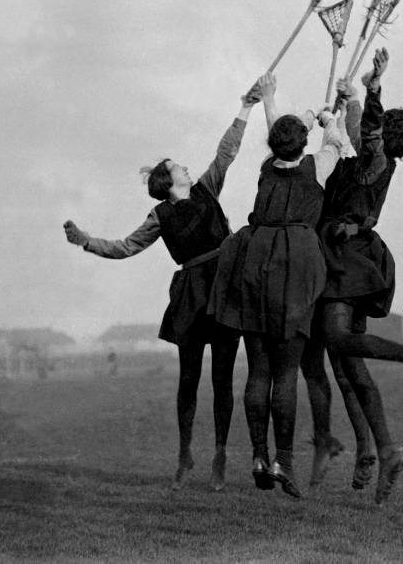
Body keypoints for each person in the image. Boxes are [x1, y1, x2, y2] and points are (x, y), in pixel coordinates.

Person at [62, 79, 263, 491]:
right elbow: (125, 247)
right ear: (169, 183)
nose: (187, 168)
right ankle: (186, 454)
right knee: (189, 380)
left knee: (223, 379)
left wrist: (245, 108)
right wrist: (86, 241)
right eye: (179, 168)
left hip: (225, 289)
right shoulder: (159, 215)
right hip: (191, 296)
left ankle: (220, 456)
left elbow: (227, 152)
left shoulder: (208, 187)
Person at [300, 49, 403, 504]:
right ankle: (381, 451)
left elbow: (366, 132)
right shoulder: (367, 160)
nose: (365, 133)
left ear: (384, 137)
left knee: (336, 342)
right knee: (346, 368)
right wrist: (348, 100)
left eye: (374, 129)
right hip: (337, 254)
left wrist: (372, 89)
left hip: (347, 259)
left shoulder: (375, 161)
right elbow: (357, 129)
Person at [207, 72, 345, 498]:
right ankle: (284, 459)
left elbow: (278, 135)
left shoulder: (267, 167)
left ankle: (259, 456)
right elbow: (336, 144)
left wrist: (271, 99)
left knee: (259, 369)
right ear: (302, 143)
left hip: (256, 262)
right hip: (296, 266)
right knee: (286, 372)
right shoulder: (315, 166)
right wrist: (330, 116)